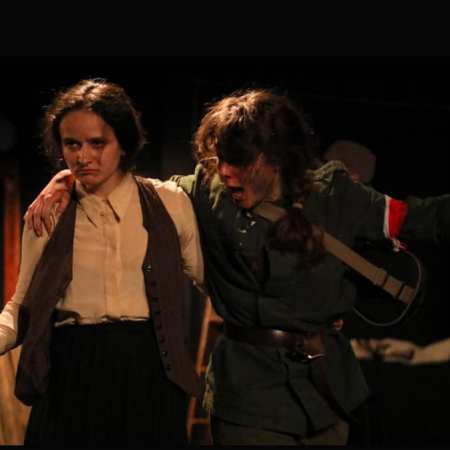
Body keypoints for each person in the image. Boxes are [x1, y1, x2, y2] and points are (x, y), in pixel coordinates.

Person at [24, 88, 450, 445]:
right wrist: (67, 179)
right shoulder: (206, 193)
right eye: (219, 160)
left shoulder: (335, 193)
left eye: (240, 161)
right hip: (249, 394)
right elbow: (134, 191)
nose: (226, 172)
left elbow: (421, 218)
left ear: (276, 158)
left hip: (327, 389)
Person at [0, 79, 205, 446]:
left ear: (123, 143)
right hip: (72, 370)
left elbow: (206, 280)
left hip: (148, 369)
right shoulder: (49, 212)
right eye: (72, 144)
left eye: (97, 143)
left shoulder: (169, 203)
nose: (83, 157)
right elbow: (21, 305)